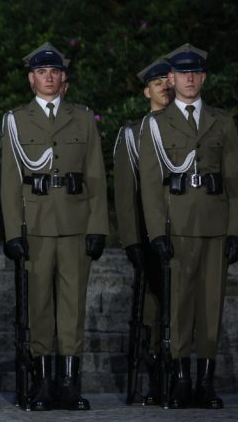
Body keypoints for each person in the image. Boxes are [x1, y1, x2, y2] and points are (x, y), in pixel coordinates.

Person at [0, 42, 108, 411]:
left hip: (75, 224)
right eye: (42, 72)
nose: (49, 77)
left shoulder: (83, 118)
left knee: (73, 307)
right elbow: (9, 183)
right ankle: (43, 382)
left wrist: (98, 226)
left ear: (64, 79)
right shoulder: (16, 121)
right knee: (39, 307)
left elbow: (95, 175)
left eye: (55, 71)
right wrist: (13, 232)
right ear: (31, 79)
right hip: (36, 226)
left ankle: (69, 383)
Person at [138, 44, 238, 409]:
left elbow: (234, 182)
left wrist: (235, 230)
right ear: (172, 79)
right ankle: (181, 380)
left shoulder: (222, 121)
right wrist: (156, 233)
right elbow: (151, 186)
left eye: (196, 73)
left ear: (204, 77)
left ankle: (205, 382)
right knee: (179, 305)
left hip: (214, 224)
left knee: (211, 305)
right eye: (183, 73)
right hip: (177, 226)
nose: (190, 79)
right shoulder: (155, 125)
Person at [113, 57, 172, 405]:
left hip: (186, 230)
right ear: (146, 91)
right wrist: (132, 240)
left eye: (168, 80)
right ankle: (155, 371)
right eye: (157, 82)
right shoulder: (132, 134)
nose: (164, 86)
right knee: (151, 305)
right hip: (150, 235)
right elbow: (125, 194)